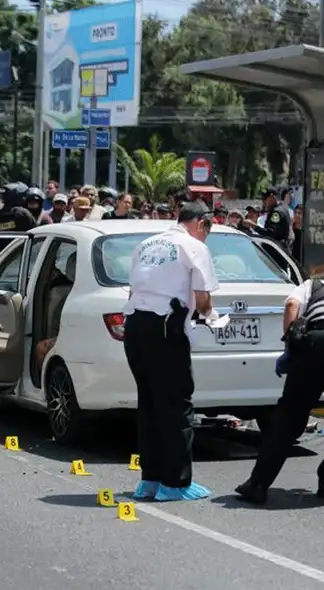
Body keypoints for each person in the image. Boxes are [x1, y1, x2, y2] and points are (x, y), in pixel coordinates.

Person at [235, 278, 324, 504]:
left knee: (290, 415)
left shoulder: (312, 286)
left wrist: (290, 348)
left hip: (319, 342)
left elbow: (290, 306)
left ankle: (258, 484)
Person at [123, 200, 219, 502]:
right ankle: (175, 484)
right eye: (208, 231)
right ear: (201, 223)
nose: (206, 238)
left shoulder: (147, 244)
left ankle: (149, 480)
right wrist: (211, 317)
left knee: (149, 404)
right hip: (165, 328)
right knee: (177, 405)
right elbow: (202, 298)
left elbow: (133, 289)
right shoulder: (194, 246)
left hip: (135, 325)